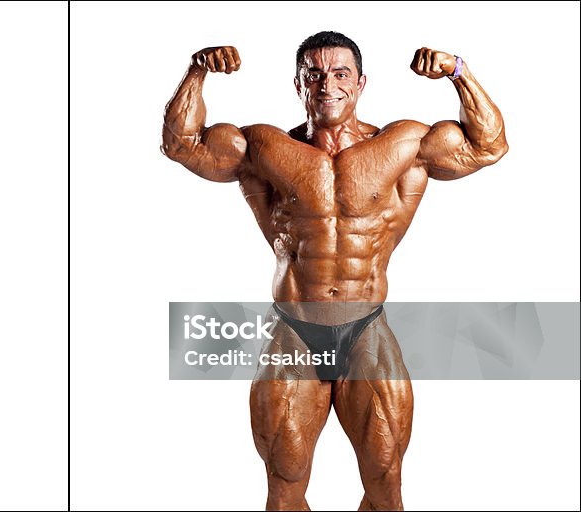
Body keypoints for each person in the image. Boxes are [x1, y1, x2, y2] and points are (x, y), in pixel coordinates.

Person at [161, 31, 507, 510]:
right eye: (315, 74)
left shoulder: (403, 144)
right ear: (299, 84)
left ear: (361, 82)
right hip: (293, 333)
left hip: (366, 330)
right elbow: (182, 145)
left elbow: (488, 145)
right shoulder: (264, 148)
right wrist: (197, 70)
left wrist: (458, 71)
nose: (328, 84)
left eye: (341, 73)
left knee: (385, 483)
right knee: (285, 485)